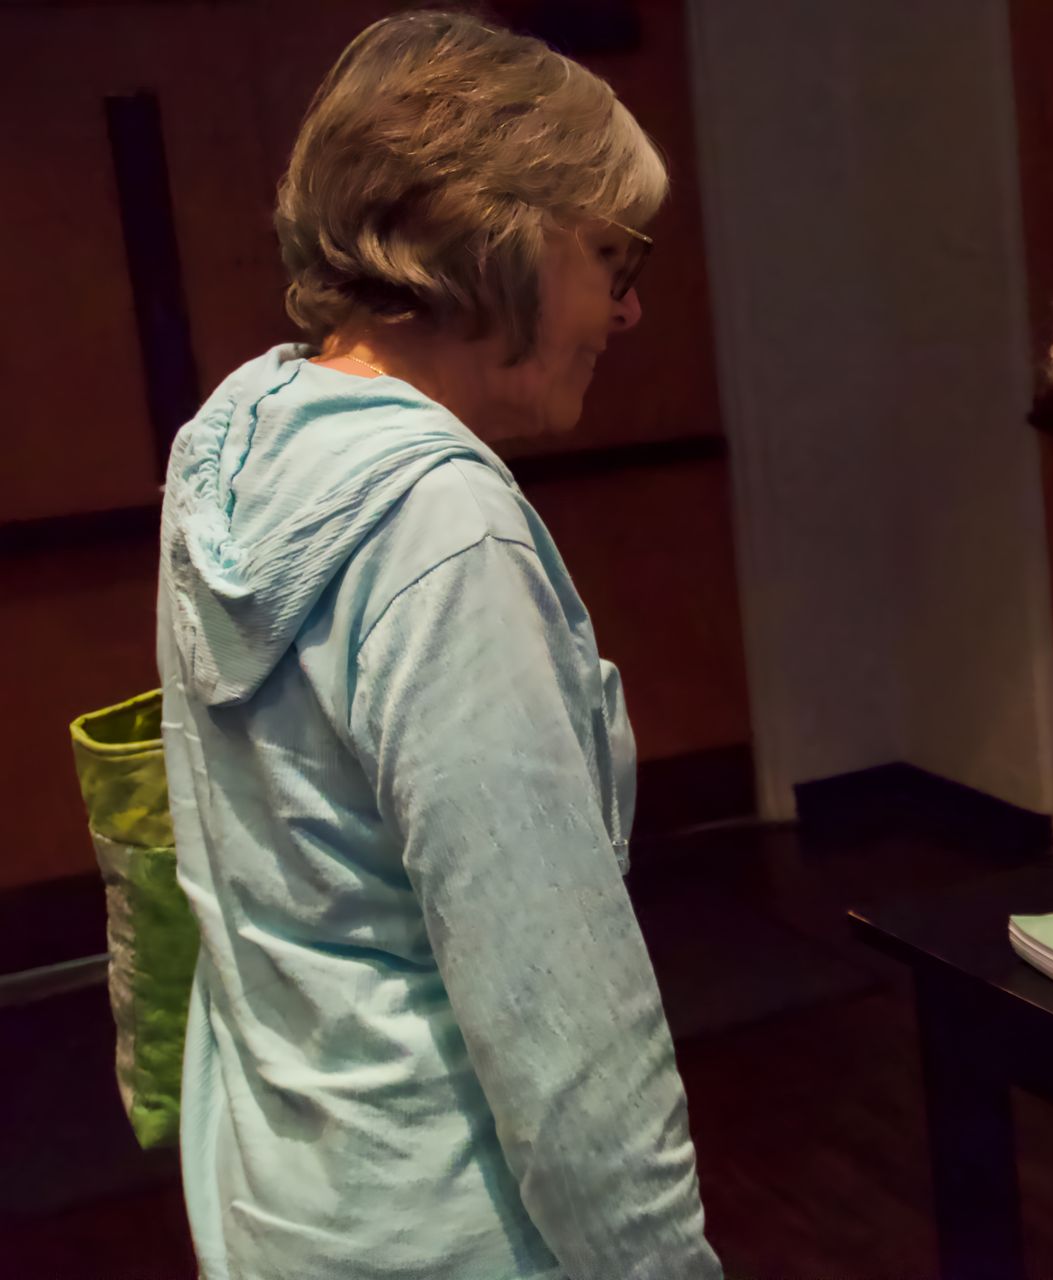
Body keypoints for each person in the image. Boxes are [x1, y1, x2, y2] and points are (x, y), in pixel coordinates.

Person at [157, 13, 720, 1278]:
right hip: (461, 1230)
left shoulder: (234, 442)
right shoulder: (443, 532)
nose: (629, 310)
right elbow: (568, 1045)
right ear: (499, 237)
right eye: (610, 256)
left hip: (284, 1200)